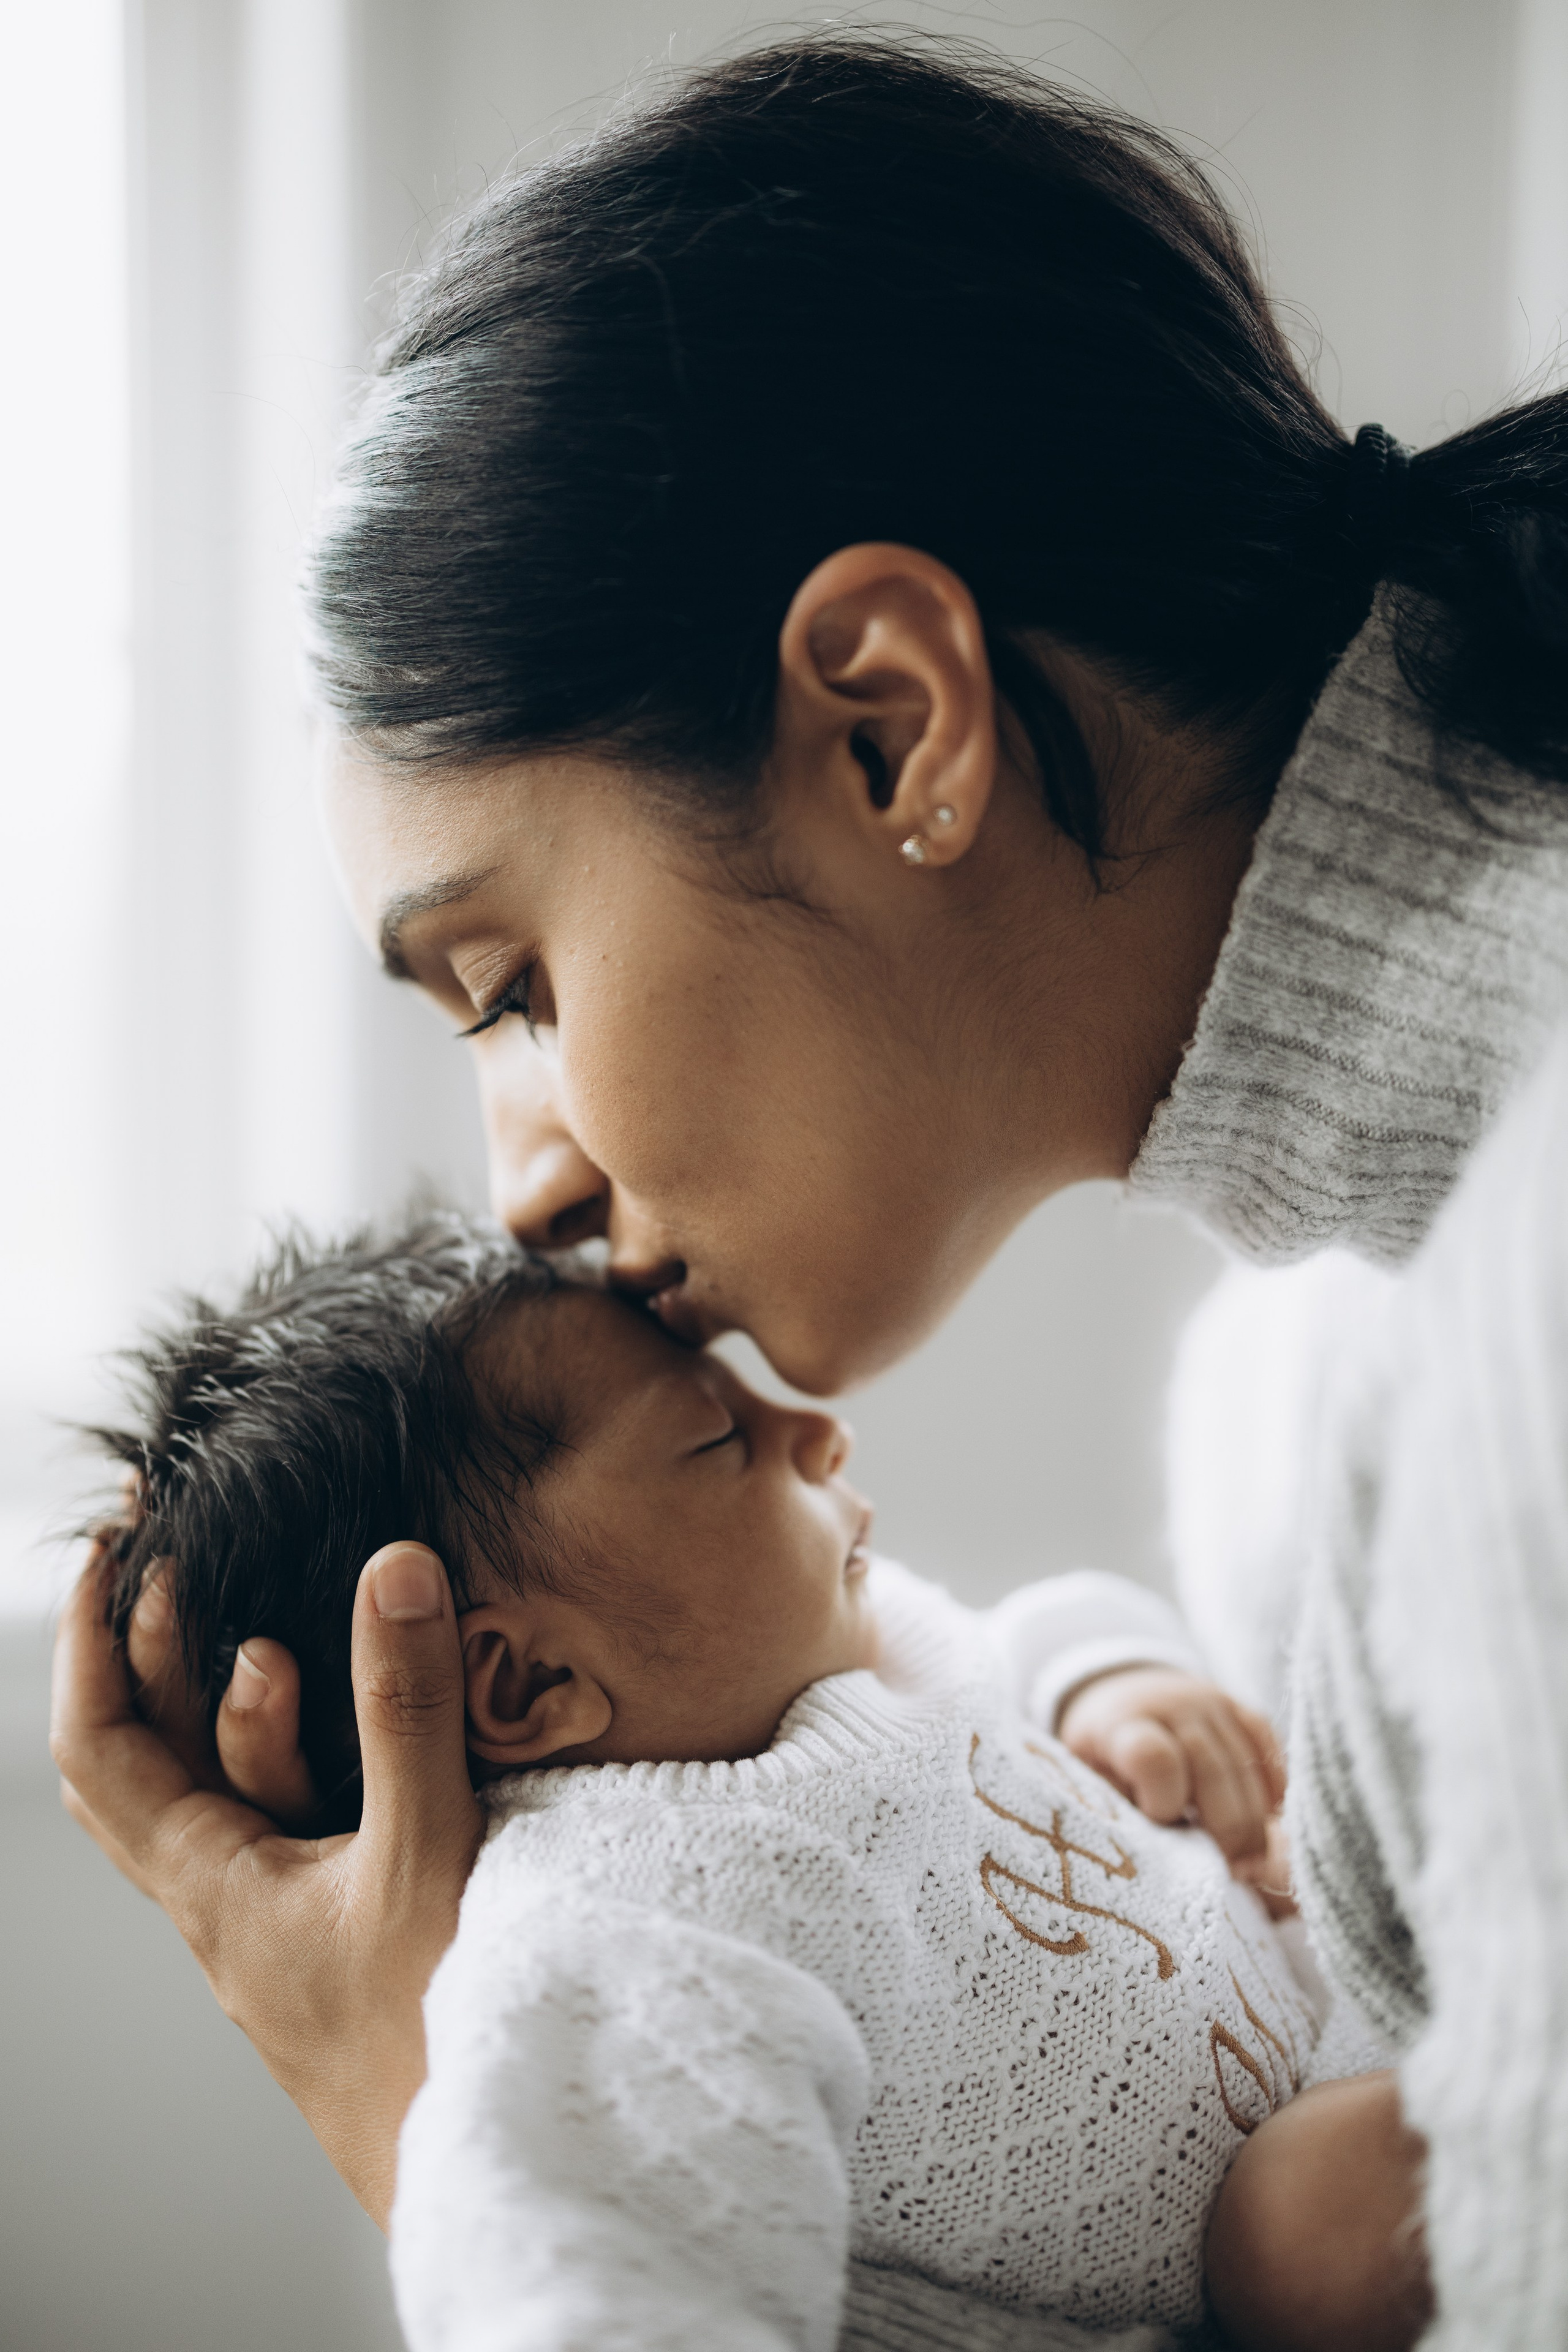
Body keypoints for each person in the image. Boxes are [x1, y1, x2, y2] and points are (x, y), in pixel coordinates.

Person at [50, 31, 1568, 2350]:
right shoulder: (1317, 1353)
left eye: (516, 982)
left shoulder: (1500, 1319)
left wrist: (412, 2115)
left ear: (889, 721)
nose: (527, 1184)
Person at [94, 1211, 1421, 2351]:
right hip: (1264, 2233)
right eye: (713, 1440)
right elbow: (577, 2269)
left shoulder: (834, 1652)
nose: (816, 1431)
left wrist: (1109, 1681)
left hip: (1337, 2000)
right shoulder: (628, 1923)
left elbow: (1014, 1638)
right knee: (1298, 2221)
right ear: (521, 1687)